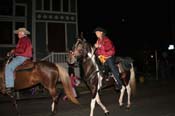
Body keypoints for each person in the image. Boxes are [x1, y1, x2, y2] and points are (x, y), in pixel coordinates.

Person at [5, 27, 33, 93]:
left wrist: (13, 51)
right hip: (24, 56)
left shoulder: (23, 39)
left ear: (23, 33)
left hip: (22, 57)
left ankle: (9, 86)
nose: (18, 34)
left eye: (19, 33)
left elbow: (21, 50)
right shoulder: (26, 39)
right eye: (18, 33)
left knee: (8, 67)